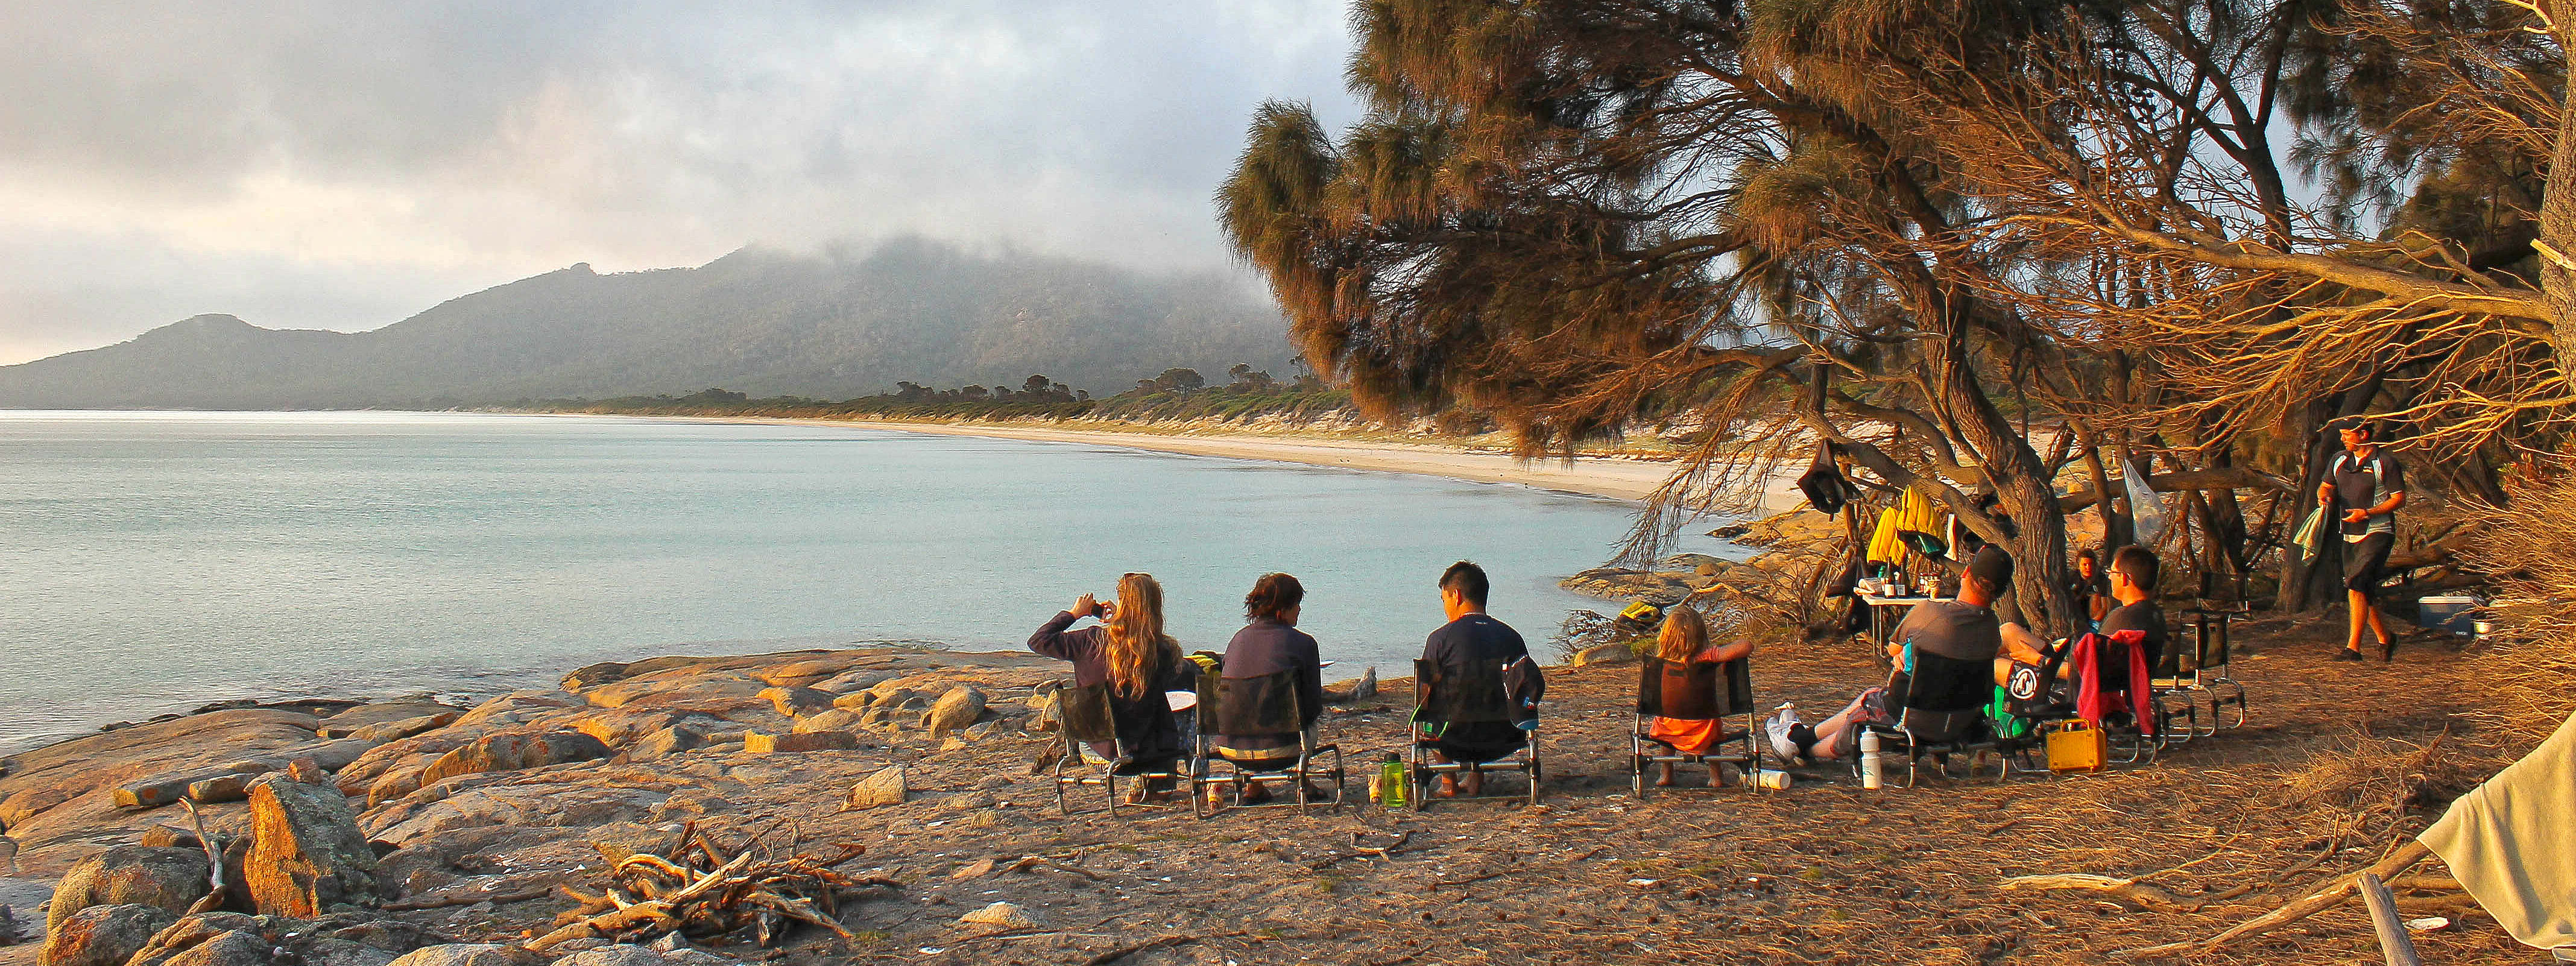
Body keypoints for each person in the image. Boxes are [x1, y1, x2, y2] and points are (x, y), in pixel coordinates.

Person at [1773, 546, 2012, 763]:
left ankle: (1803, 746)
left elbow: (1893, 649)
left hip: (1913, 718)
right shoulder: (1992, 629)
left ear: (1966, 572)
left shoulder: (1931, 612)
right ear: (2000, 592)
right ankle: (1800, 737)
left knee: (1868, 706)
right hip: (1962, 722)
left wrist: (1904, 654)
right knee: (1872, 698)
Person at [1028, 572, 1192, 795]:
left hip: (1096, 747)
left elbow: (1038, 641)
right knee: (1178, 706)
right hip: (1145, 752)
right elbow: (1143, 645)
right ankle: (1159, 787)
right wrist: (1124, 621)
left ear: (1122, 603)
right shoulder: (1160, 651)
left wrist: (1074, 614)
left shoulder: (1090, 641)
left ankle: (1146, 788)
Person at [1418, 560, 1532, 797]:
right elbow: (1524, 689)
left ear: (1456, 596)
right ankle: (1475, 778)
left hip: (1453, 738)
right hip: (1508, 736)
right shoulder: (1513, 638)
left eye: (1445, 600)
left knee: (1431, 714)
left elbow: (1424, 700)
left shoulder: (1440, 640)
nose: (1446, 608)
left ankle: (1449, 782)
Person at [1213, 572, 1327, 804]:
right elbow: (1314, 706)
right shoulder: (1304, 644)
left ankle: (1254, 787)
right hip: (1284, 750)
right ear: (1281, 609)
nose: (1299, 610)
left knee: (1251, 707)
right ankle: (1303, 781)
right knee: (1307, 722)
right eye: (1296, 604)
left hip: (1232, 748)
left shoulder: (1236, 640)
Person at [2318, 419, 2407, 661]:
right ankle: (2386, 638)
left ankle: (2353, 649)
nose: (2343, 439)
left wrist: (2367, 513)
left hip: (2378, 531)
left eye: (2347, 435)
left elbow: (2399, 499)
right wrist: (2324, 497)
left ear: (2364, 435)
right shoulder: (2339, 459)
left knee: (2355, 584)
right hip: (2348, 533)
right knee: (2363, 588)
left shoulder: (2384, 462)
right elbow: (2325, 487)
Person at [1643, 605, 1755, 787]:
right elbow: (1747, 646)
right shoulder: (1710, 656)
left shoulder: (1661, 663)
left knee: (1664, 718)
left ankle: (1666, 773)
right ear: (1701, 634)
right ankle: (1716, 776)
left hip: (1669, 731)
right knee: (1710, 719)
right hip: (1705, 730)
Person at [2096, 546, 2168, 686]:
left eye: (2112, 572)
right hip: (2136, 690)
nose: (2109, 577)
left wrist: (2041, 660)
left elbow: (2091, 670)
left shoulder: (2122, 618)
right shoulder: (2155, 614)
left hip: (2107, 697)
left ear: (2124, 578)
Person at [2060, 549, 2112, 625]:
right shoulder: (2071, 578)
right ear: (2079, 566)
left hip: (2094, 618)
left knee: (2096, 597)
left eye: (2091, 564)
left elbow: (2105, 607)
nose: (2088, 567)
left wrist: (2093, 623)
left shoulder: (2101, 579)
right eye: (2085, 564)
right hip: (2076, 613)